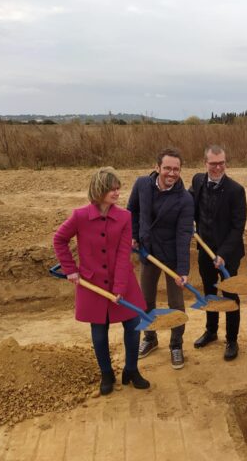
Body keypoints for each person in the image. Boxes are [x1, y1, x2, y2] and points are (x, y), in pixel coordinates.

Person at [53, 167, 150, 395]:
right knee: (99, 331)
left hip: (122, 280)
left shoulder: (125, 217)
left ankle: (131, 370)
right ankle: (106, 374)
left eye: (118, 189)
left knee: (134, 326)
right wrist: (70, 269)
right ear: (99, 190)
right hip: (92, 283)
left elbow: (124, 253)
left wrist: (119, 287)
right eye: (112, 189)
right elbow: (59, 240)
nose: (117, 193)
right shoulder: (80, 216)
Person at [127, 148, 194, 369]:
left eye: (176, 169)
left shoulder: (184, 199)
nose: (171, 173)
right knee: (145, 299)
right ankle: (150, 338)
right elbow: (132, 212)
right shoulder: (142, 185)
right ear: (157, 168)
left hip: (173, 256)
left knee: (176, 303)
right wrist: (134, 236)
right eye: (167, 168)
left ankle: (176, 345)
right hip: (148, 252)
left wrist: (183, 270)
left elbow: (184, 234)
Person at [189, 145, 247, 361]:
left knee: (230, 295)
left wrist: (222, 253)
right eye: (213, 163)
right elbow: (188, 205)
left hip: (228, 253)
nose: (217, 167)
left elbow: (237, 227)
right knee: (209, 291)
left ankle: (232, 339)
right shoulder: (197, 181)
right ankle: (211, 331)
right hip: (205, 249)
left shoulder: (236, 190)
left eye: (221, 162)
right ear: (205, 164)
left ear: (226, 163)